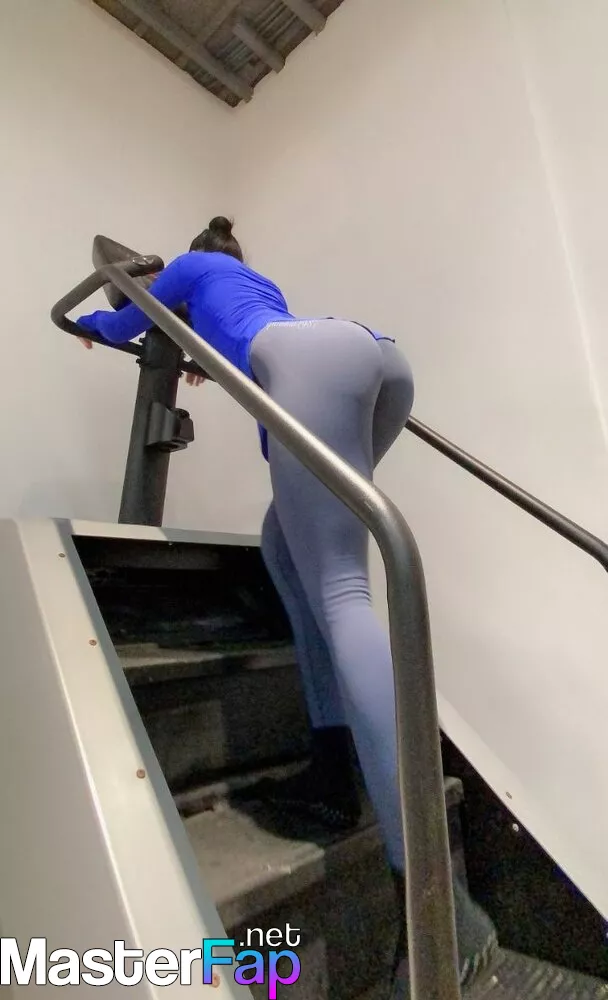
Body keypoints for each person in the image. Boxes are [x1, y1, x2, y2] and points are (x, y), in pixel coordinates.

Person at [76, 216, 497, 995]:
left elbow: (129, 315)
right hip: (372, 357)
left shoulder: (189, 269)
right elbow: (270, 387)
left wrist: (93, 326)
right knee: (284, 546)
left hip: (311, 366)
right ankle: (333, 768)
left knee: (340, 589)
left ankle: (432, 896)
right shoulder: (253, 286)